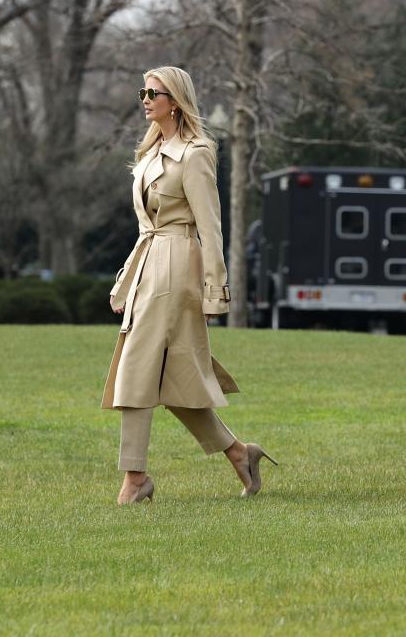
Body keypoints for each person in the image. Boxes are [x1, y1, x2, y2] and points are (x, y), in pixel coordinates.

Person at [102, 66, 276, 504]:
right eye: (142, 91)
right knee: (173, 376)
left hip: (178, 268)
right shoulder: (150, 151)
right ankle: (240, 454)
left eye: (153, 93)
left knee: (137, 370)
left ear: (175, 101)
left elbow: (210, 227)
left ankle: (135, 477)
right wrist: (127, 279)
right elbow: (146, 229)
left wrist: (216, 288)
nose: (144, 99)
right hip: (150, 266)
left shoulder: (196, 153)